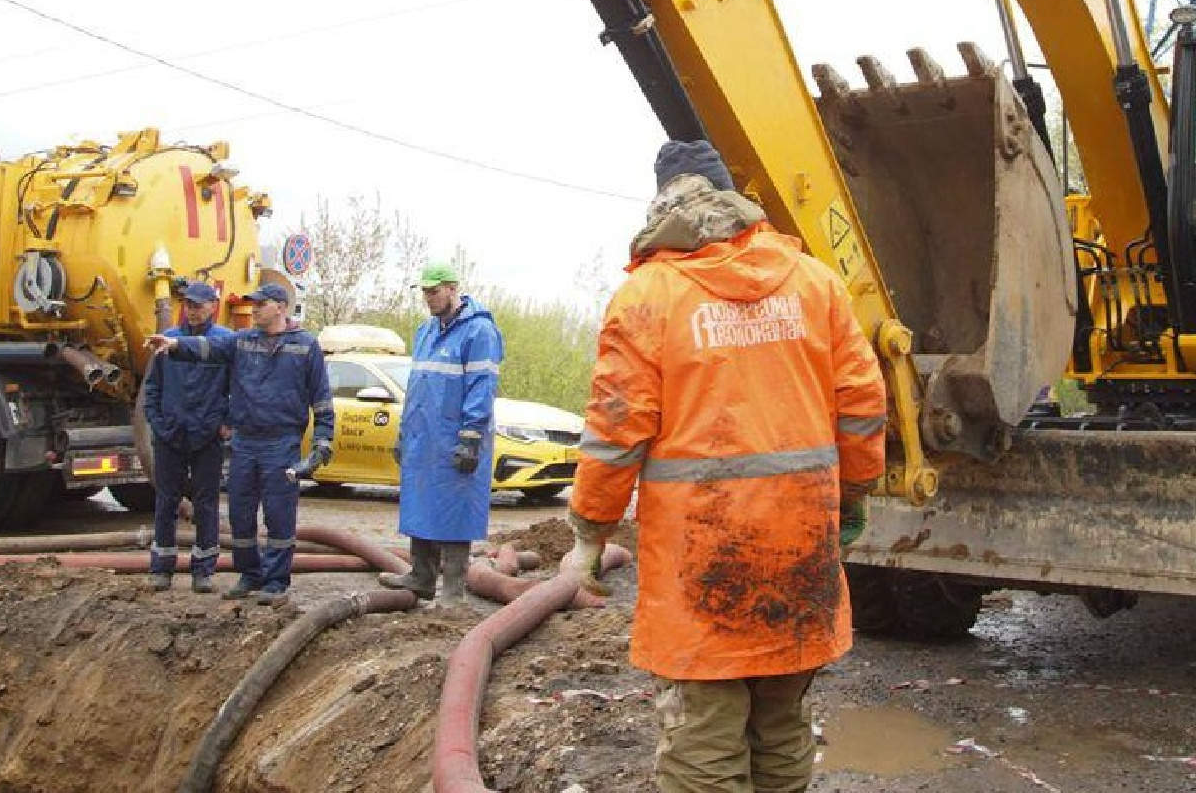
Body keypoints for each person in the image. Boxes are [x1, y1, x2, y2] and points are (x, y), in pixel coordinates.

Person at [565, 139, 888, 793]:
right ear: (734, 200)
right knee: (781, 727)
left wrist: (587, 536)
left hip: (701, 566)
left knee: (703, 742)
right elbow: (861, 404)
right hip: (800, 551)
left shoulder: (648, 296)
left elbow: (614, 433)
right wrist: (853, 495)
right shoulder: (815, 284)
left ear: (662, 205)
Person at [146, 282, 332, 606]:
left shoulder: (305, 346)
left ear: (280, 307)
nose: (254, 309)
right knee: (240, 514)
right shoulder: (243, 341)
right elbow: (208, 349)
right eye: (253, 304)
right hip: (245, 441)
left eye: (260, 304)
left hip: (281, 442)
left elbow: (322, 398)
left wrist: (323, 440)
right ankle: (250, 575)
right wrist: (174, 345)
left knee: (278, 514)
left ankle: (275, 582)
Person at [376, 262, 504, 610]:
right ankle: (421, 576)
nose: (429, 298)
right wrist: (405, 432)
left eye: (434, 291)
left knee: (455, 510)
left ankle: (453, 590)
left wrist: (471, 437)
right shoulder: (426, 331)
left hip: (454, 435)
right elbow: (417, 387)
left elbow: (482, 386)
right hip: (423, 435)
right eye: (424, 292)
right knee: (421, 503)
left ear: (452, 288)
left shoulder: (479, 332)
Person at [139, 280, 233, 593]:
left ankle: (203, 570)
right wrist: (158, 423)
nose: (191, 311)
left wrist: (224, 422)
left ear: (212, 306)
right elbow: (152, 388)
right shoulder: (168, 340)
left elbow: (236, 389)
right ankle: (161, 568)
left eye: (197, 305)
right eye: (187, 305)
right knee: (166, 501)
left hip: (206, 436)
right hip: (171, 434)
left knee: (205, 504)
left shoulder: (224, 342)